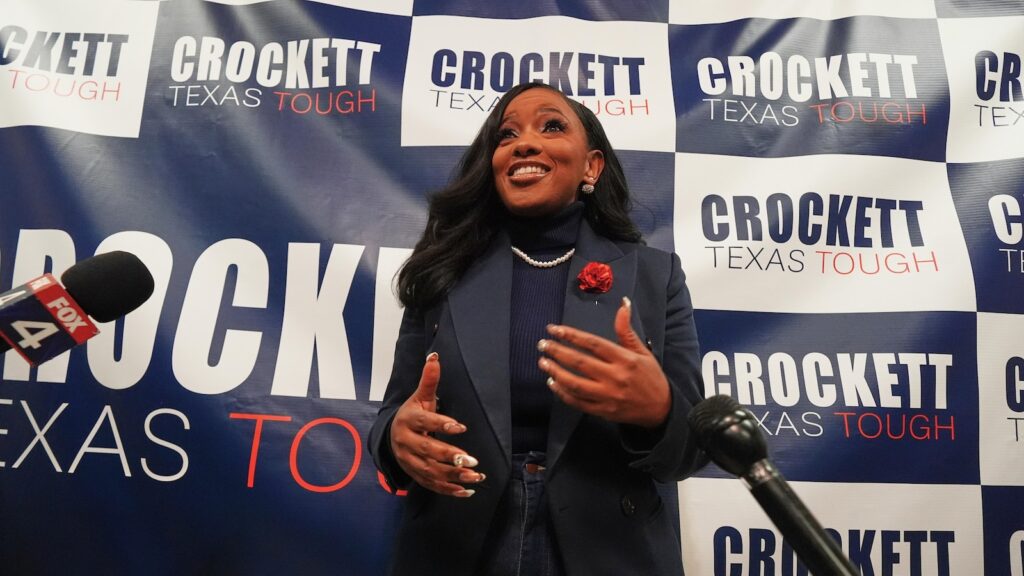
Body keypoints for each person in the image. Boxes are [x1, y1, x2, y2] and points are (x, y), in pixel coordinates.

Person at [369, 81, 706, 576]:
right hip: (456, 547)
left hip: (609, 550)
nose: (524, 143)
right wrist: (397, 439)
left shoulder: (657, 276)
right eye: (507, 135)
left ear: (591, 166)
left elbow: (692, 449)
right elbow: (391, 419)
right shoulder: (444, 272)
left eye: (551, 126)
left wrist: (658, 410)